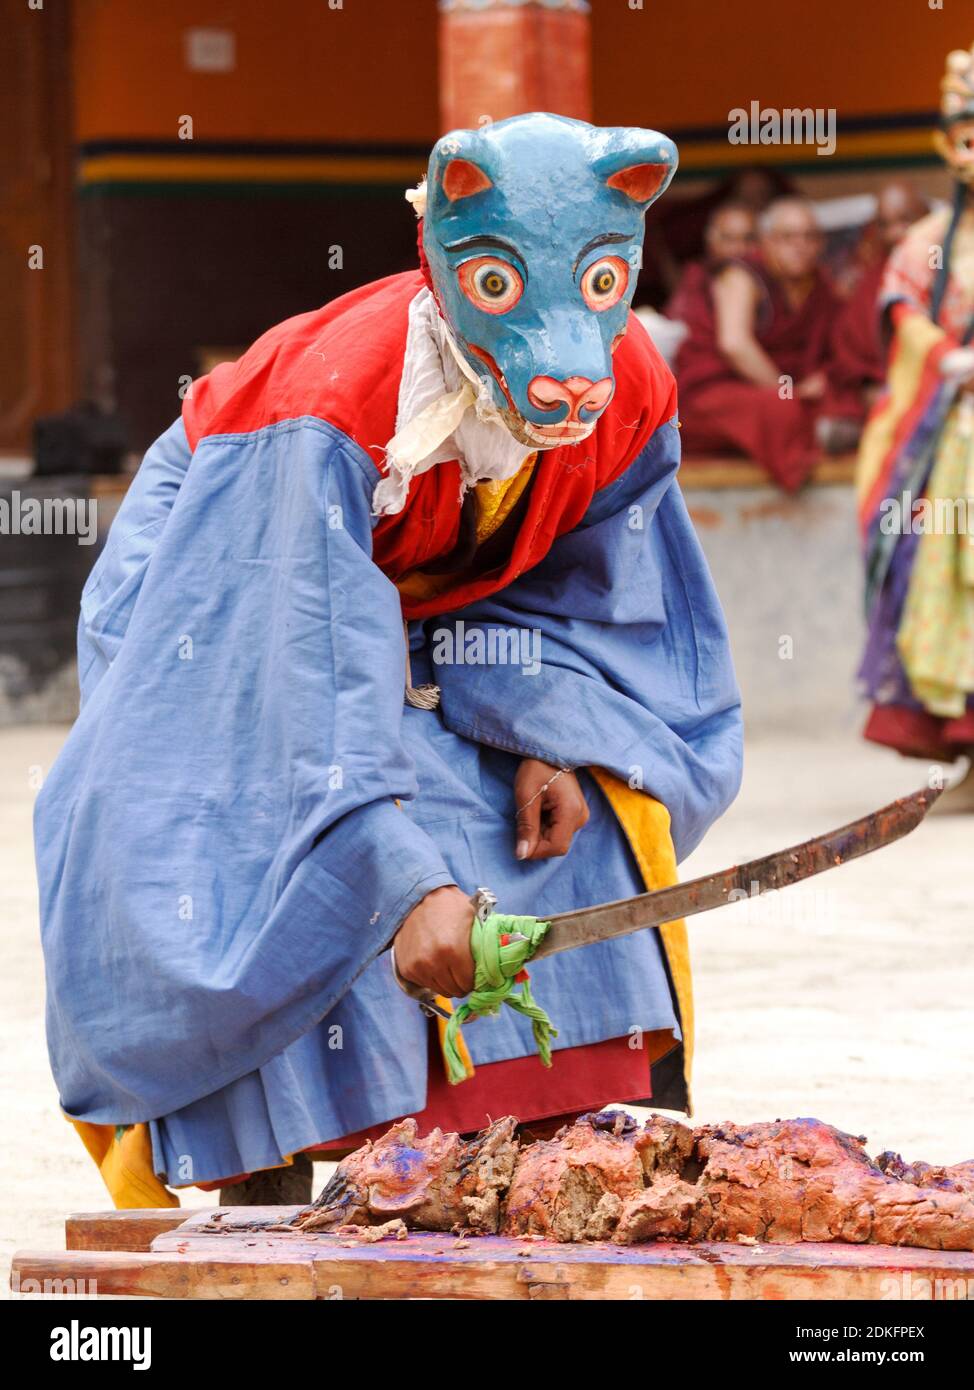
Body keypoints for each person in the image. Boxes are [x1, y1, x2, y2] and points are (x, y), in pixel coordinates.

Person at [35, 114, 742, 1208]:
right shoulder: (332, 406)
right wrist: (397, 875)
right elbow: (298, 666)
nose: (563, 362)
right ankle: (259, 1181)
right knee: (272, 849)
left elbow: (598, 598)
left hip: (427, 601)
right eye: (504, 289)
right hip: (227, 571)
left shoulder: (625, 384)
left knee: (557, 820)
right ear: (442, 249)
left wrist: (554, 736)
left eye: (599, 281)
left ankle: (509, 1160)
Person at [857, 47, 974, 796]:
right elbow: (900, 308)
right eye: (963, 135)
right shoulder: (932, 235)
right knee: (943, 584)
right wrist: (945, 358)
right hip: (955, 434)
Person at [675, 197, 838, 490]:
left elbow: (835, 345)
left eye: (809, 237)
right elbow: (734, 344)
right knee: (781, 409)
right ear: (766, 242)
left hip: (770, 387)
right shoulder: (741, 275)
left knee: (840, 398)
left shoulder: (820, 284)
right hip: (717, 389)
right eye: (787, 237)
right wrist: (789, 389)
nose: (799, 245)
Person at [819, 181, 929, 453]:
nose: (894, 234)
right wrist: (867, 387)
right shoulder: (872, 280)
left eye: (905, 220)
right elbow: (848, 354)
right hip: (882, 393)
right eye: (884, 225)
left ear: (928, 219)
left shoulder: (952, 272)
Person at [665, 202, 758, 322]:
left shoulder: (771, 278)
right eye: (729, 239)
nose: (739, 249)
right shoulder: (696, 274)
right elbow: (677, 320)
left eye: (748, 239)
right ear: (711, 242)